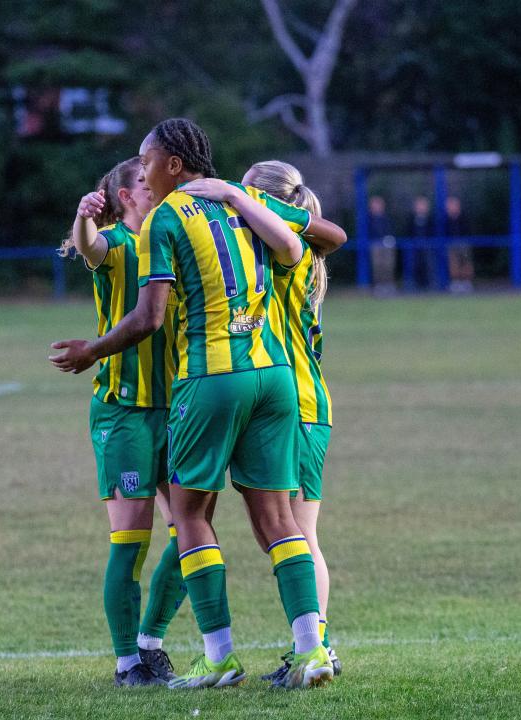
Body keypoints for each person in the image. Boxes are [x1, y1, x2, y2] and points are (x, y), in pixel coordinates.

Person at [50, 117, 347, 690]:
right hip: (277, 378)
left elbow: (150, 317)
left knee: (189, 517)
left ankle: (218, 656)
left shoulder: (166, 216)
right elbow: (324, 238)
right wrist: (240, 196)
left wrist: (92, 350)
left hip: (210, 379)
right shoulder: (245, 202)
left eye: (146, 162)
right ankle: (312, 649)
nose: (140, 172)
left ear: (174, 165)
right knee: (280, 520)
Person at [59, 157, 188, 687]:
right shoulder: (115, 243)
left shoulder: (179, 236)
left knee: (191, 538)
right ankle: (126, 662)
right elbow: (87, 246)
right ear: (124, 198)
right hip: (125, 411)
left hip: (181, 407)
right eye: (140, 181)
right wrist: (84, 216)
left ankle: (149, 642)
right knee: (131, 540)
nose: (151, 183)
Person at [227, 160, 344, 680]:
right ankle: (315, 643)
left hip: (291, 407)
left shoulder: (282, 253)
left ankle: (315, 645)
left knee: (295, 537)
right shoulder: (300, 250)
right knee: (293, 535)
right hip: (310, 405)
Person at [367, 195, 396, 296]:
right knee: (377, 266)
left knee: (388, 265)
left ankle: (388, 285)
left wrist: (389, 238)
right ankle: (378, 286)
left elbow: (390, 229)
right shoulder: (368, 219)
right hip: (375, 245)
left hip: (387, 245)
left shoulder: (386, 217)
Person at [444, 196, 474, 292]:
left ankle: (466, 282)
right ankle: (456, 283)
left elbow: (468, 230)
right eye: (450, 206)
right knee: (453, 263)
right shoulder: (446, 219)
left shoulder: (464, 217)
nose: (452, 207)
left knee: (466, 263)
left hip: (464, 244)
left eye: (454, 205)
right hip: (451, 244)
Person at [407, 195, 434, 289]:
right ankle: (416, 285)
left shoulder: (430, 218)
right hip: (414, 247)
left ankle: (428, 285)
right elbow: (408, 231)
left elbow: (433, 231)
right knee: (416, 265)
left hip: (427, 246)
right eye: (419, 205)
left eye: (422, 205)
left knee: (428, 265)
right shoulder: (411, 218)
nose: (421, 207)